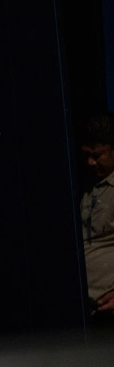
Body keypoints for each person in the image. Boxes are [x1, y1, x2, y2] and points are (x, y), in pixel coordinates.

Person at [79, 113, 114, 331]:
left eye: (97, 155)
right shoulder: (84, 187)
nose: (91, 162)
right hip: (87, 311)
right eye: (87, 155)